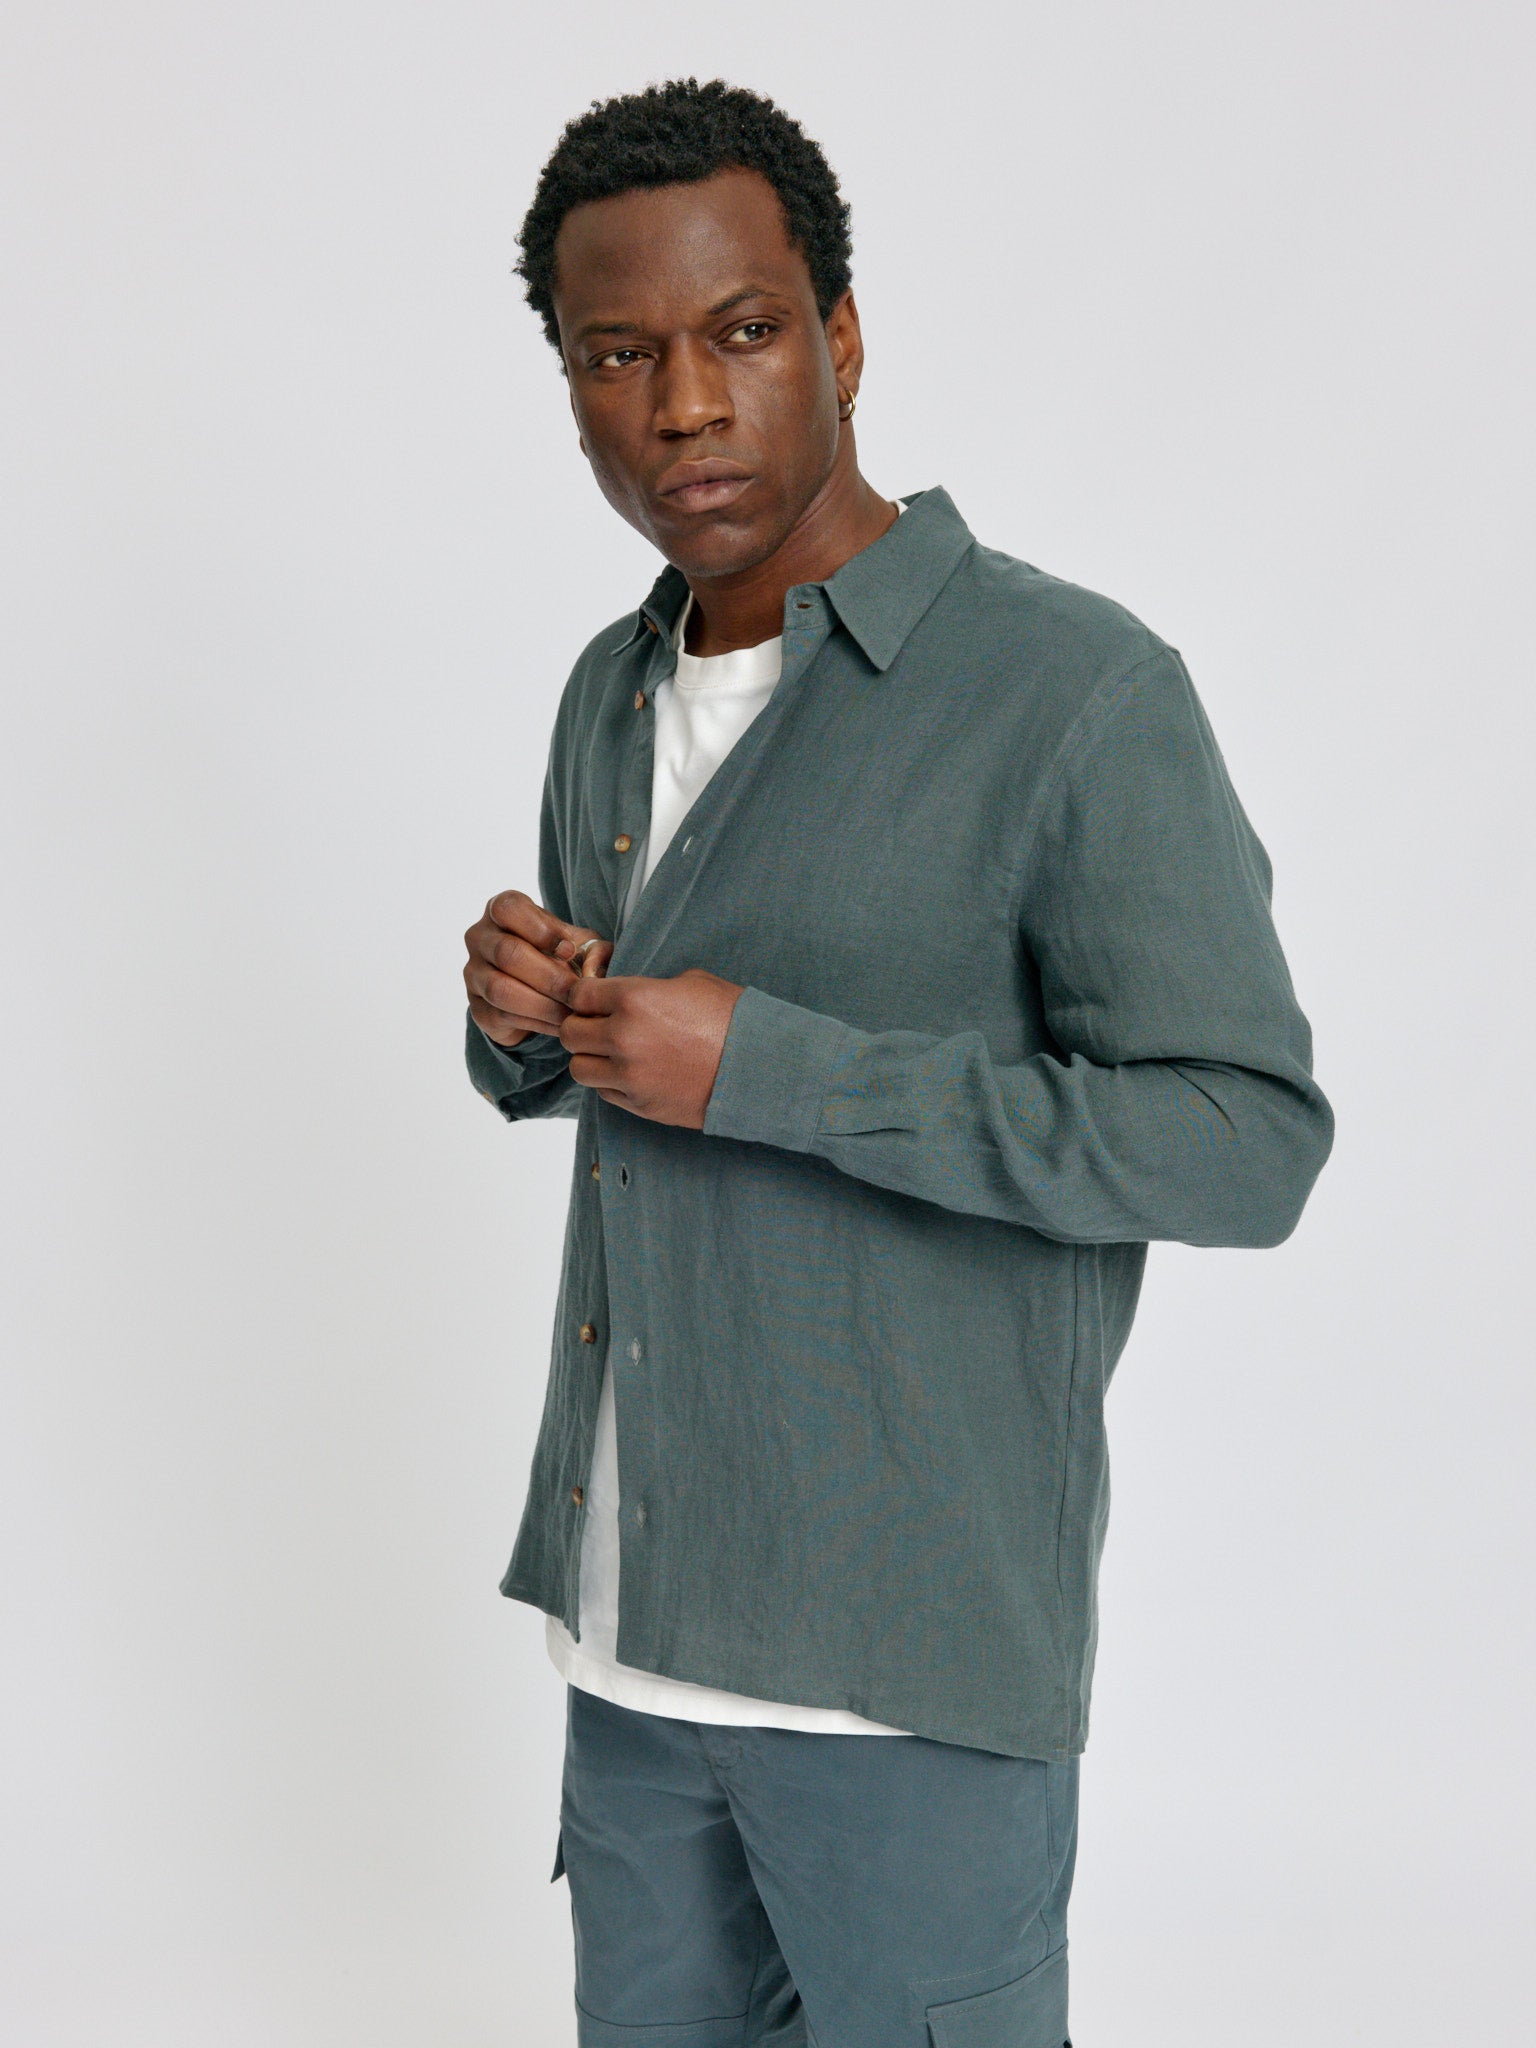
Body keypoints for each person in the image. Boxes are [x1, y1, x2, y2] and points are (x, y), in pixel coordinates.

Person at [462, 78, 1332, 2048]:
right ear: (575, 386)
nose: (687, 405)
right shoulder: (611, 688)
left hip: (905, 1683)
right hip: (628, 1659)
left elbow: (1242, 1140)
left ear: (842, 339)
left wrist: (775, 1069)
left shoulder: (1075, 692)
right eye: (620, 354)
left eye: (744, 330)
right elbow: (625, 1082)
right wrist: (528, 1023)